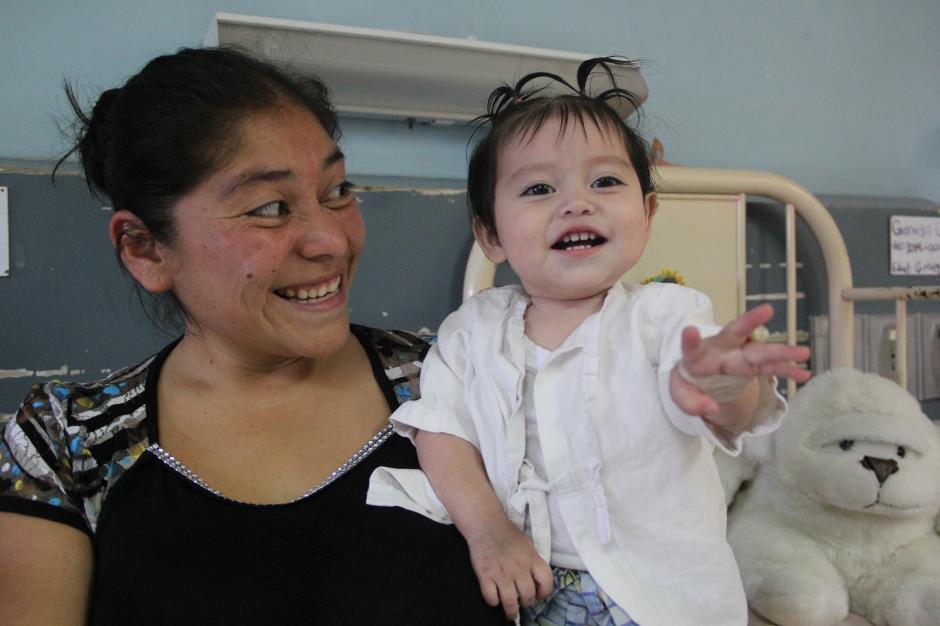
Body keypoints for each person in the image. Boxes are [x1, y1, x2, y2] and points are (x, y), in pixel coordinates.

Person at [0, 46, 510, 625]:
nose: (332, 241)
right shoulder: (67, 446)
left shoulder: (456, 381)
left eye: (337, 190)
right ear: (146, 250)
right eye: (269, 208)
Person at [366, 58, 812, 626]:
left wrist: (724, 384)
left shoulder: (666, 316)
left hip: (661, 598)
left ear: (647, 213)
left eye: (605, 181)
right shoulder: (471, 330)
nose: (578, 202)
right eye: (539, 188)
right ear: (491, 234)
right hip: (525, 580)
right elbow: (442, 434)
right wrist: (489, 532)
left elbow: (724, 409)